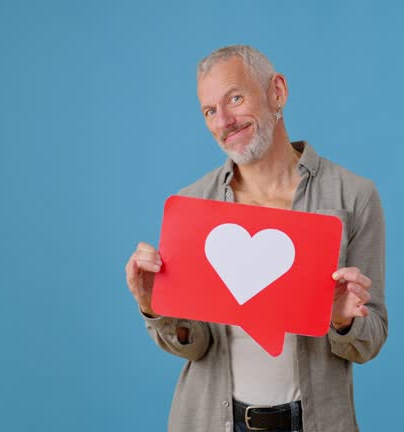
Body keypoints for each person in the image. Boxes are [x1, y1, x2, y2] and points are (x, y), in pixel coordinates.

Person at [125, 45, 387, 432]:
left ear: (277, 92)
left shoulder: (353, 196)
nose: (224, 121)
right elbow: (194, 345)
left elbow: (370, 340)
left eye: (235, 98)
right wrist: (154, 306)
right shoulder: (193, 205)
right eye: (209, 111)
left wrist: (343, 320)